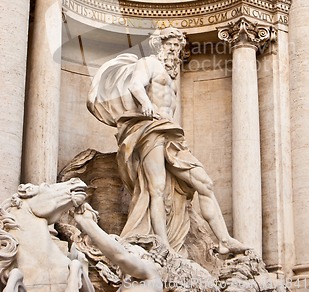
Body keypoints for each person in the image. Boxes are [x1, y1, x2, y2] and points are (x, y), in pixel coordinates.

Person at [87, 27, 248, 255]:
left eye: (177, 46)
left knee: (205, 183)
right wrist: (145, 103)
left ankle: (224, 239)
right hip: (150, 129)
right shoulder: (149, 63)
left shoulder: (171, 76)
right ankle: (163, 245)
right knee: (157, 189)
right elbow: (135, 85)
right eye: (170, 44)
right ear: (159, 45)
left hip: (170, 133)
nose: (174, 49)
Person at [73, 202, 162, 291]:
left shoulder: (150, 270)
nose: (116, 263)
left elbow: (121, 257)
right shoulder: (125, 286)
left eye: (129, 252)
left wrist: (86, 221)